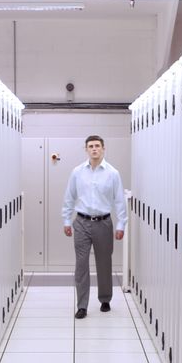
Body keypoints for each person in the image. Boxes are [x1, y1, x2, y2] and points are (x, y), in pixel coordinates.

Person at [62, 135, 128, 319]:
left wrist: (121, 224)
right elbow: (69, 197)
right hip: (81, 222)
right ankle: (82, 305)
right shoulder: (77, 172)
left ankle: (105, 299)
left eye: (97, 146)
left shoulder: (112, 173)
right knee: (81, 265)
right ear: (86, 149)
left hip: (103, 223)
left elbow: (119, 201)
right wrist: (67, 221)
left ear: (103, 148)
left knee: (104, 263)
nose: (94, 149)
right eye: (90, 146)